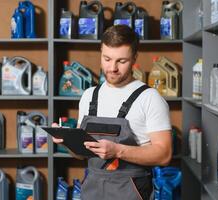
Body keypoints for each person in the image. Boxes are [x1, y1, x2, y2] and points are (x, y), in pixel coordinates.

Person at [52, 25, 172, 200]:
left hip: (131, 191)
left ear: (134, 58)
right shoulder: (89, 96)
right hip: (92, 190)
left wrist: (117, 151)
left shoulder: (150, 98)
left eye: (121, 61)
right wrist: (67, 141)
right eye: (107, 59)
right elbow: (80, 155)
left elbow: (164, 154)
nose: (112, 68)